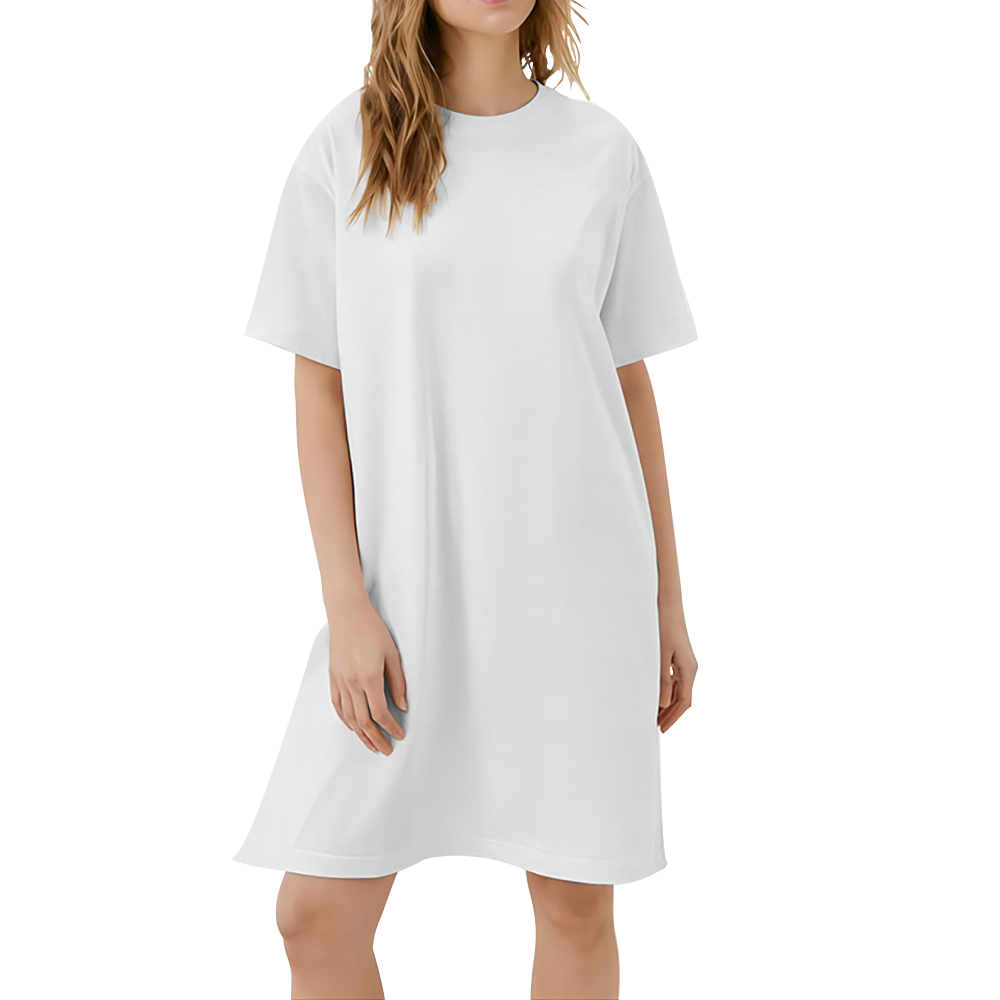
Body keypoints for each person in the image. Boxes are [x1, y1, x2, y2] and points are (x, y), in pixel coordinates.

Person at [248, 1, 698, 996]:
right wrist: (346, 602)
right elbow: (319, 387)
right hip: (404, 599)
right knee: (314, 914)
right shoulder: (342, 146)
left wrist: (668, 603)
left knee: (574, 904)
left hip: (576, 597)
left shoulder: (603, 156)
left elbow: (628, 388)